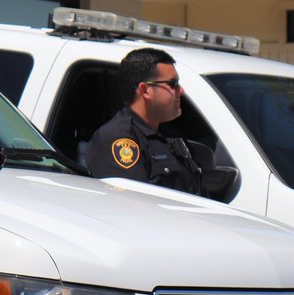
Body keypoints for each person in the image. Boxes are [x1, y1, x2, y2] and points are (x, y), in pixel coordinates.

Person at [85, 47, 204, 194]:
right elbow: (133, 205)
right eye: (173, 84)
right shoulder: (118, 139)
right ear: (145, 90)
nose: (181, 90)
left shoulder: (171, 136)